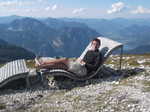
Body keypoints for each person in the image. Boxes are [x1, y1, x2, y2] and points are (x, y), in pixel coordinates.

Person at [35, 38, 102, 76]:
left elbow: (95, 67)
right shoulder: (89, 51)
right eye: (93, 44)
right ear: (91, 44)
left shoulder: (98, 55)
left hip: (84, 71)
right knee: (60, 65)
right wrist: (79, 61)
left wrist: (85, 64)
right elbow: (84, 60)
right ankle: (41, 66)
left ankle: (43, 63)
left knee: (64, 59)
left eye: (97, 44)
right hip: (79, 67)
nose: (95, 45)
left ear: (99, 45)